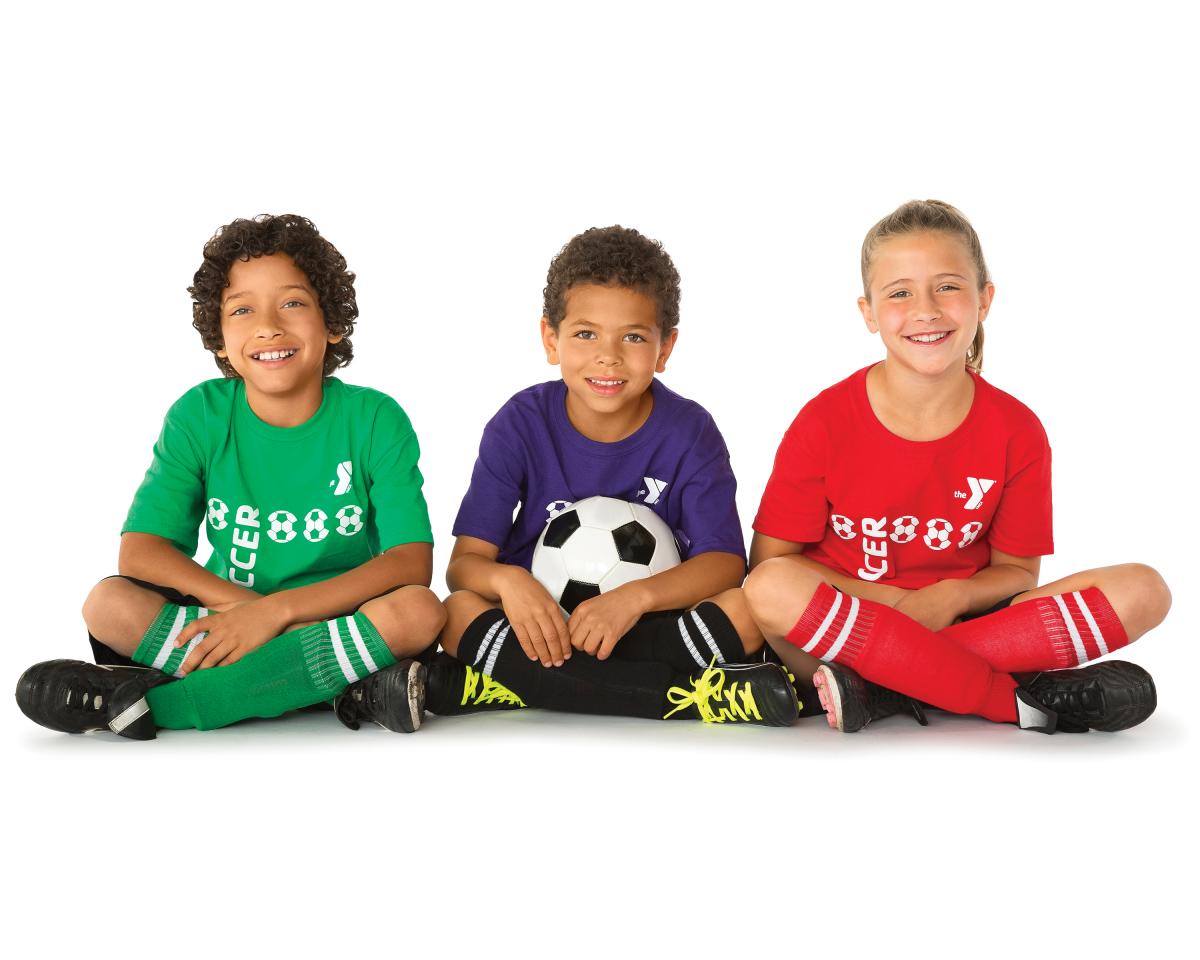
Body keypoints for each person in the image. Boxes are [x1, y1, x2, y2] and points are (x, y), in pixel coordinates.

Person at [742, 200, 1169, 734]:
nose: (926, 309)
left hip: (965, 622)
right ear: (869, 312)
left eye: (947, 286)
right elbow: (768, 567)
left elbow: (1016, 573)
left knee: (1145, 590)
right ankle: (1008, 700)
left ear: (984, 299)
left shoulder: (1016, 429)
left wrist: (951, 597)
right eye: (900, 293)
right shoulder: (824, 421)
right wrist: (896, 602)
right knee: (769, 590)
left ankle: (885, 691)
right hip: (845, 631)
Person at [16, 214, 445, 739]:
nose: (268, 325)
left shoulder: (375, 418)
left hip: (341, 619)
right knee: (108, 603)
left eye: (292, 302)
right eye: (242, 309)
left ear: (331, 321)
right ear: (218, 338)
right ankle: (333, 685)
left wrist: (278, 612)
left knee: (419, 612)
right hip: (227, 614)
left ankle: (163, 704)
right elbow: (142, 552)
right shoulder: (199, 415)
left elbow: (411, 562)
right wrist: (248, 611)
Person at [430, 225, 797, 725]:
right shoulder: (520, 423)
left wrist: (635, 597)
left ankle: (512, 688)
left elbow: (726, 563)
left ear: (665, 348)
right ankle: (691, 699)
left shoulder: (690, 431)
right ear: (550, 338)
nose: (608, 355)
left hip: (651, 625)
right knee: (456, 610)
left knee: (747, 611)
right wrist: (509, 580)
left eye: (633, 336)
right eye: (585, 334)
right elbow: (464, 564)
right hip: (542, 626)